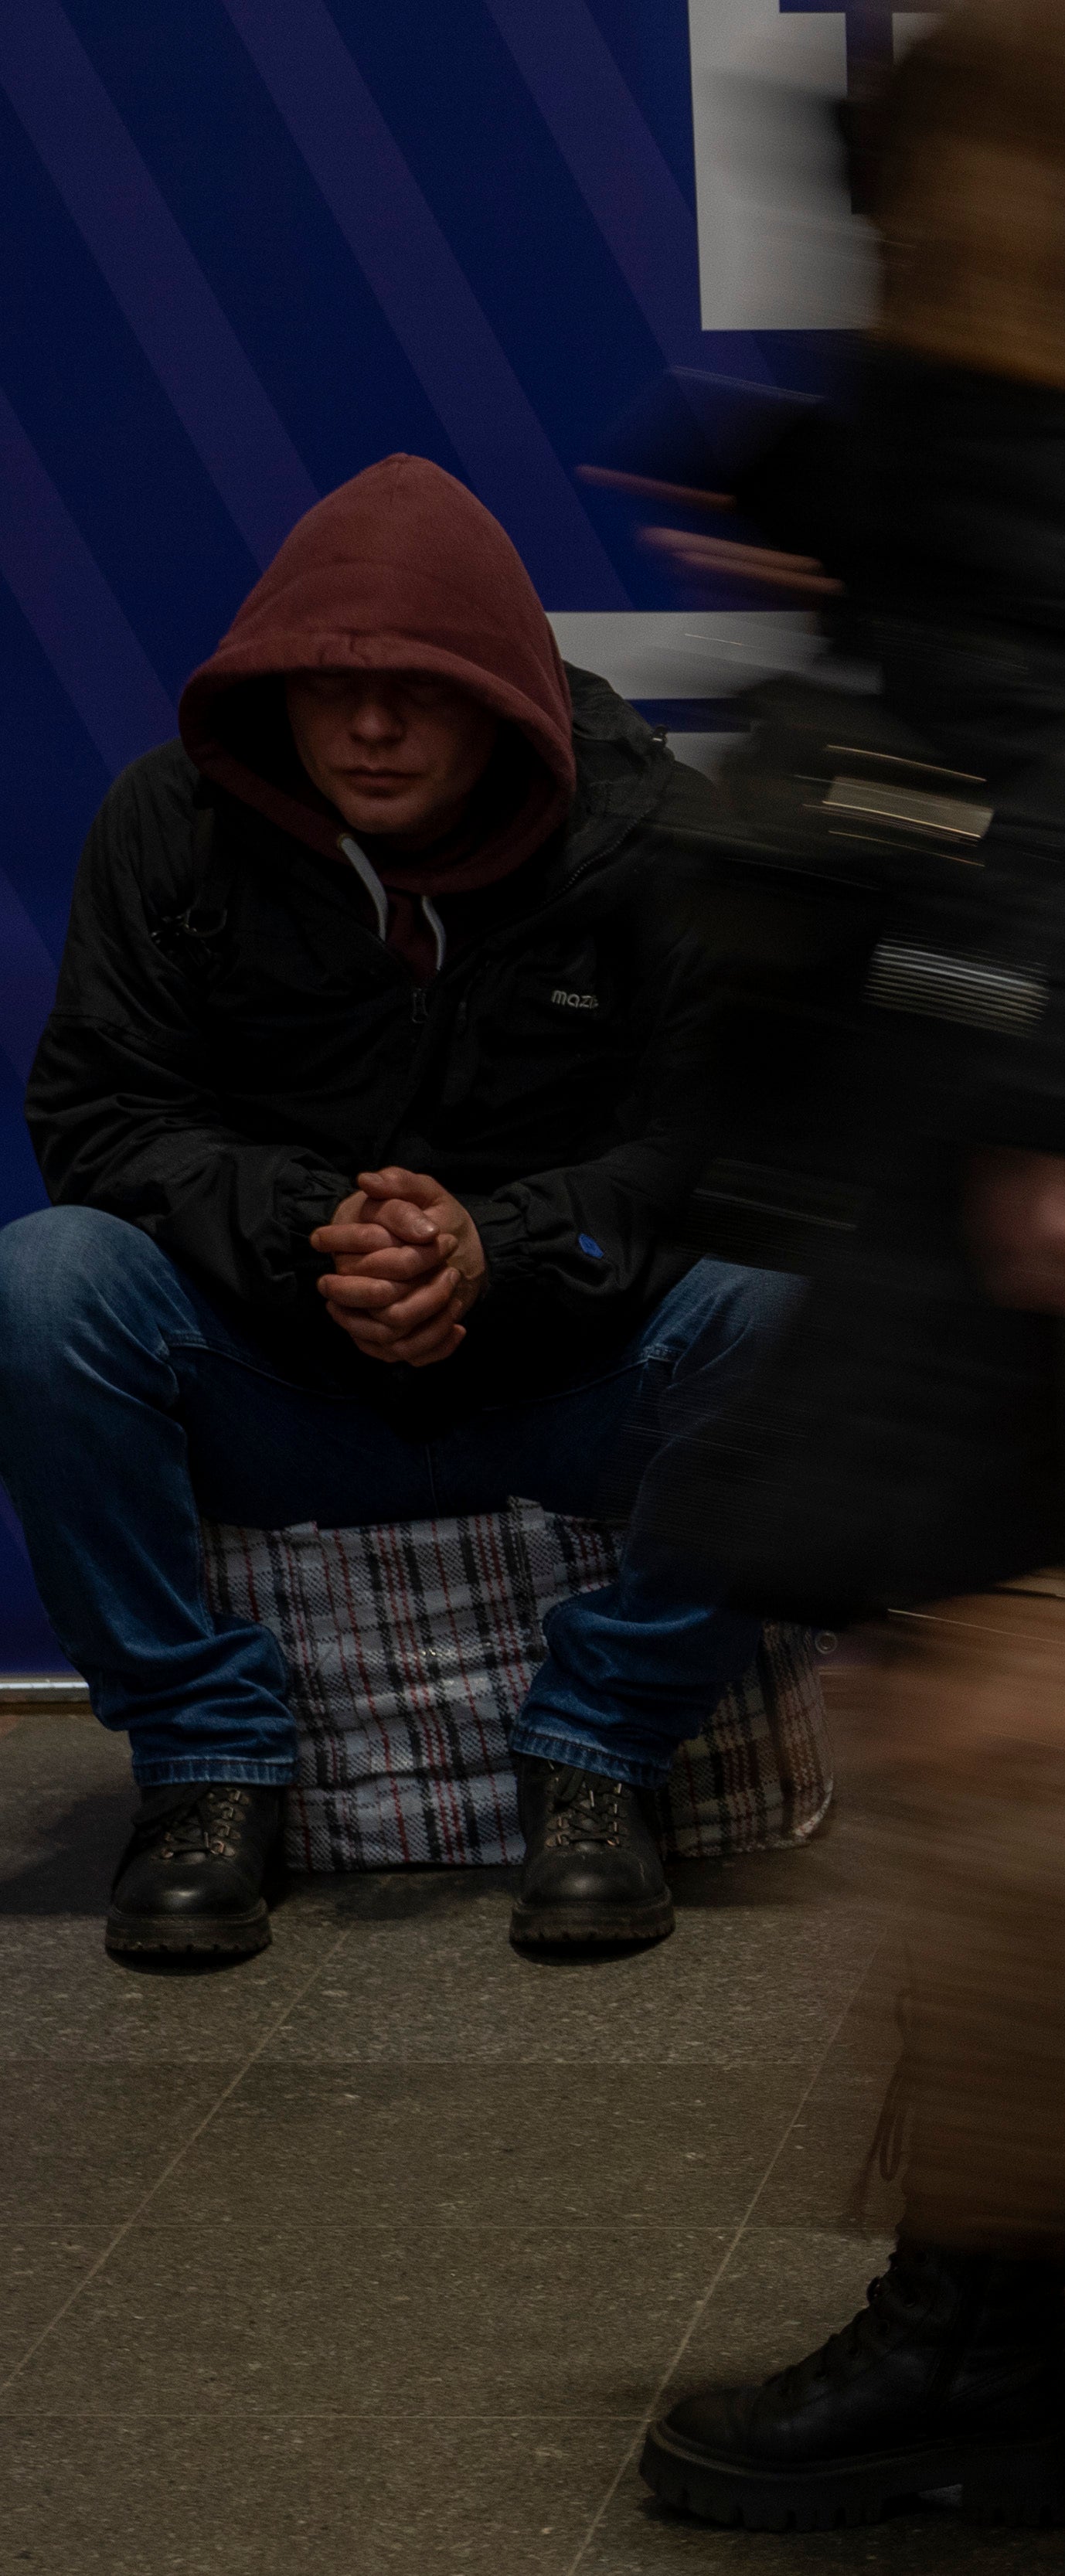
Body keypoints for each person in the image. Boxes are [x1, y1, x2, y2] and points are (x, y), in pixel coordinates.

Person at [635, 0, 1065, 2531]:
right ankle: (1005, 2297)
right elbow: (1022, 592)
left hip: (1055, 1083)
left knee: (1004, 1729)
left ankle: (993, 2341)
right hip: (1037, 1054)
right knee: (996, 1716)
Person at [0, 454, 785, 1963]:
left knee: (784, 1309)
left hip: (561, 1370)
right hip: (279, 1367)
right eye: (327, 686)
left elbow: (729, 1148)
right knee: (44, 1286)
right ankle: (205, 1769)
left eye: (417, 690)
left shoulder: (658, 837)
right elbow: (97, 1117)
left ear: (501, 693)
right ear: (272, 691)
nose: (367, 727)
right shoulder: (168, 826)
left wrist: (500, 1246)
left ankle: (599, 1756)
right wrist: (322, 1230)